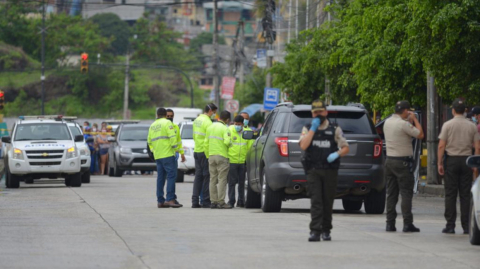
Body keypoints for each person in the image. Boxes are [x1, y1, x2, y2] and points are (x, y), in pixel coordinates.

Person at [299, 99, 350, 242]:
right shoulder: (308, 128)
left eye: (320, 112)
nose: (318, 115)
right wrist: (312, 129)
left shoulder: (334, 129)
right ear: (312, 114)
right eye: (315, 112)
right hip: (313, 170)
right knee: (316, 201)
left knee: (328, 201)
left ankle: (326, 230)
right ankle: (315, 231)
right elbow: (303, 146)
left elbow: (346, 148)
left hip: (330, 170)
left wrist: (336, 154)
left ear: (326, 112)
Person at [437, 99, 480, 234]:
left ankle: (450, 225)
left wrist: (439, 163)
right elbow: (477, 146)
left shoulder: (447, 125)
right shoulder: (472, 126)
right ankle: (467, 226)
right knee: (465, 194)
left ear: (453, 110)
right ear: (465, 110)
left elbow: (441, 145)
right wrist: (475, 163)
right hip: (467, 160)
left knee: (450, 194)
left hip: (452, 161)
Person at [383, 100, 424, 233]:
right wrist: (415, 120)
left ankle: (390, 224)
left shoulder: (387, 122)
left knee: (391, 194)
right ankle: (407, 223)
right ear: (406, 111)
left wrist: (409, 121)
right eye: (409, 111)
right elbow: (420, 134)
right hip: (402, 163)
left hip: (389, 161)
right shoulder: (403, 124)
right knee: (406, 193)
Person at [148, 108, 182, 208]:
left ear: (157, 114)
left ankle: (160, 201)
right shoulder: (167, 123)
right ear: (165, 114)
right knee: (171, 176)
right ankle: (170, 199)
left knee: (160, 178)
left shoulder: (152, 125)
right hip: (167, 154)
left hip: (158, 155)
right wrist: (176, 150)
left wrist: (154, 151)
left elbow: (149, 142)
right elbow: (172, 137)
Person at [191, 103, 217, 208]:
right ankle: (206, 200)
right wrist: (209, 154)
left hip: (197, 150)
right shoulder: (208, 122)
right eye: (214, 112)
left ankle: (194, 201)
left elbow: (194, 135)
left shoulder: (196, 120)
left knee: (198, 177)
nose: (214, 114)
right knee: (207, 176)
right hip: (205, 152)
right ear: (210, 111)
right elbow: (209, 139)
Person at [205, 110, 232, 209]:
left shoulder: (210, 127)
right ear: (227, 119)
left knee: (212, 179)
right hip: (222, 156)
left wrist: (208, 155)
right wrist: (231, 143)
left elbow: (206, 143)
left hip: (211, 156)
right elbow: (227, 142)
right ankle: (221, 202)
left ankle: (213, 202)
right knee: (222, 179)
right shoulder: (225, 128)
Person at [227, 115, 253, 207]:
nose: (237, 126)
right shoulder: (230, 130)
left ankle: (241, 201)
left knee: (242, 183)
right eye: (235, 124)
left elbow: (250, 147)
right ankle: (231, 201)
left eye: (239, 124)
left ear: (243, 124)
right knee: (232, 183)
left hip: (243, 162)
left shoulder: (248, 132)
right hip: (232, 160)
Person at [167, 108, 186, 205]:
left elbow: (179, 141)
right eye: (168, 116)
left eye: (171, 116)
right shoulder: (164, 127)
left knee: (173, 177)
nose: (170, 118)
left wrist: (182, 153)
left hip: (174, 155)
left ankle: (172, 197)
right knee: (168, 178)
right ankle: (168, 198)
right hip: (165, 154)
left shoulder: (175, 127)